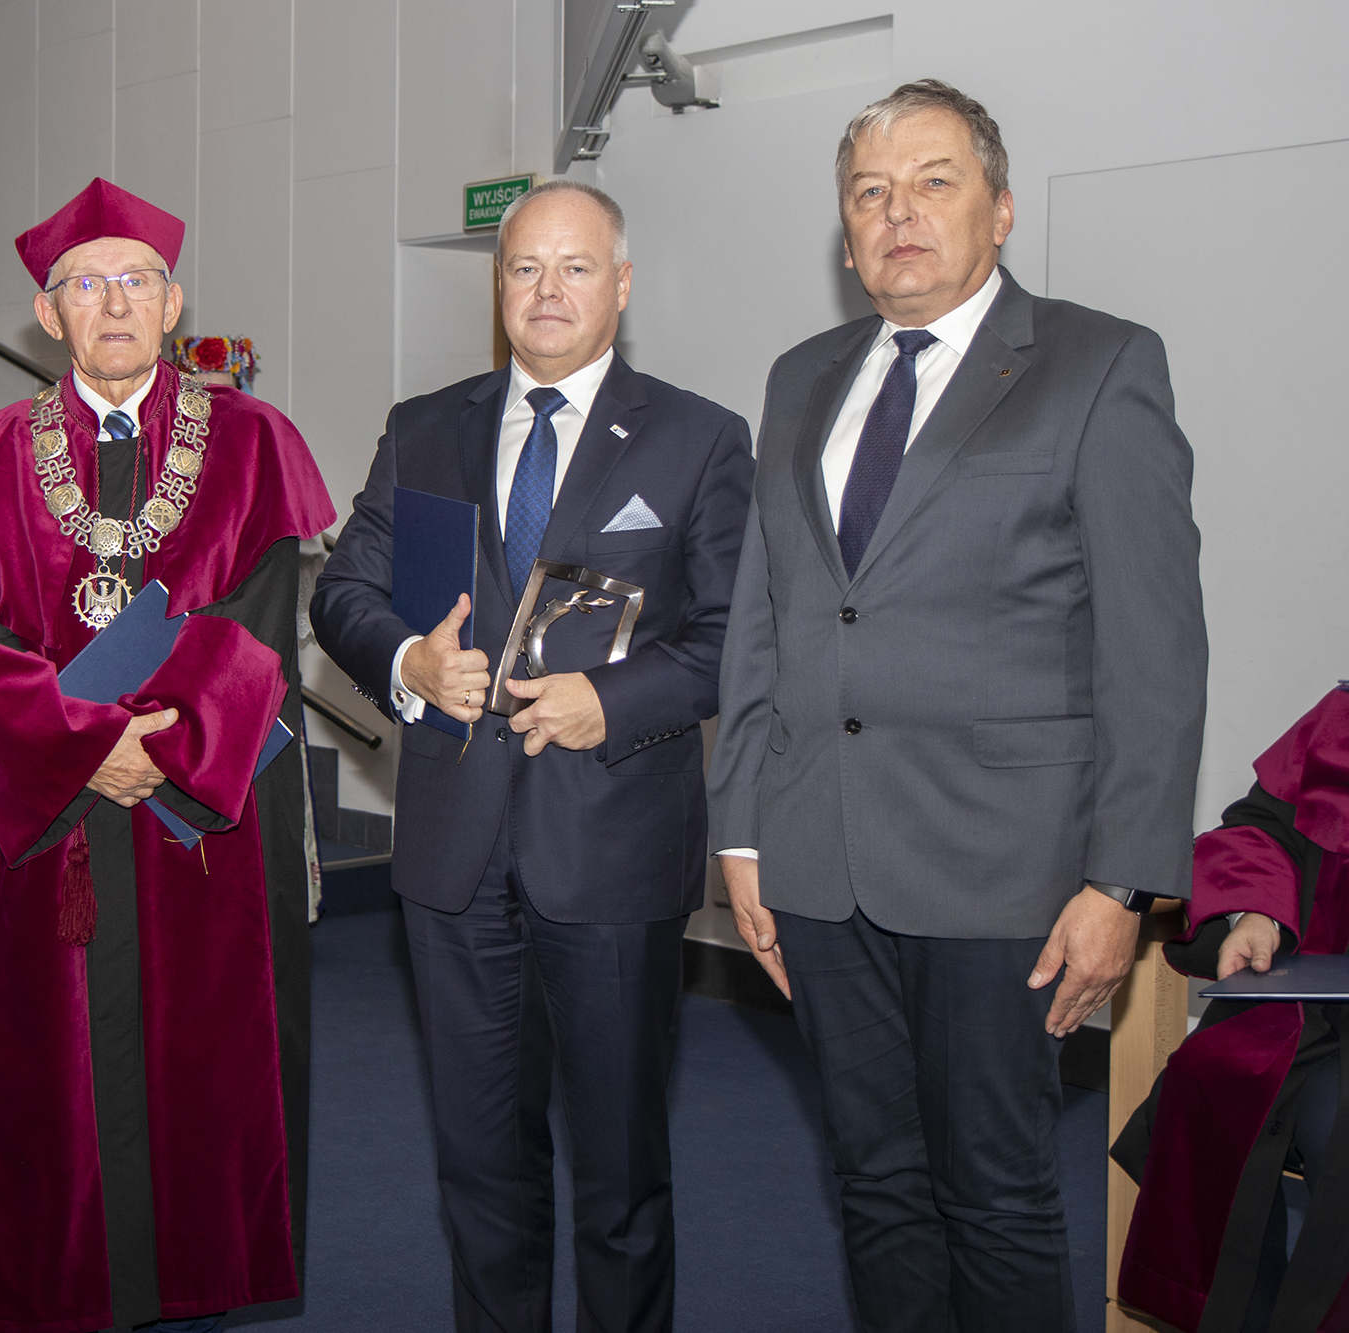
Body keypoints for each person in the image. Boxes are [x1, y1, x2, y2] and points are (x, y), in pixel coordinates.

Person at [706, 79, 1209, 1333]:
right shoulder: (799, 378)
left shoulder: (1098, 364)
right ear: (843, 233)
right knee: (873, 1187)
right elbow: (766, 616)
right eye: (869, 193)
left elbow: (1153, 650)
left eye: (933, 183)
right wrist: (743, 831)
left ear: (999, 208)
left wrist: (1122, 881)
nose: (899, 214)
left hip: (1008, 874)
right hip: (819, 858)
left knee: (993, 1197)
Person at [311, 179, 754, 1332]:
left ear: (621, 284)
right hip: (452, 854)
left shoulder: (698, 437)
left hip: (611, 849)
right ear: (496, 285)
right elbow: (342, 591)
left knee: (618, 1177)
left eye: (574, 267)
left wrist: (613, 700)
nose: (545, 290)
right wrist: (406, 661)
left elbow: (734, 638)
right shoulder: (423, 426)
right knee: (478, 1168)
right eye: (522, 267)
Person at [0, 176, 334, 1333]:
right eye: (83, 285)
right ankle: (54, 1288)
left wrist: (160, 744)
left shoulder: (252, 444)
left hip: (203, 814)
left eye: (134, 281)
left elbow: (256, 627)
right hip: (48, 816)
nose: (112, 304)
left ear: (172, 301)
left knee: (209, 1058)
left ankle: (199, 1284)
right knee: (38, 1066)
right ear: (47, 313)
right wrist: (88, 748)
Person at [1111, 685, 1348, 1333]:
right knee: (1220, 1079)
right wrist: (1257, 910)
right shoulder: (1343, 722)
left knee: (1334, 1122)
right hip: (1323, 1009)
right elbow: (1258, 831)